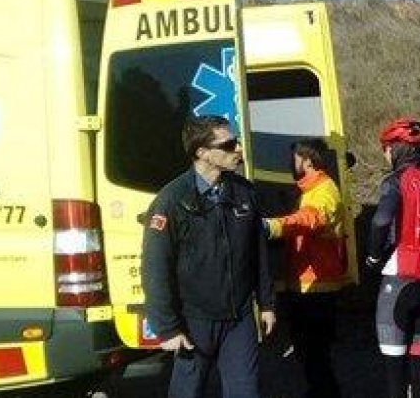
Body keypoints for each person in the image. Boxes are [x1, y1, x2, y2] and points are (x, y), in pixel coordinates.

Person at [141, 115, 276, 398]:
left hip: (239, 319)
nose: (238, 148)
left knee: (247, 392)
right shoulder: (171, 200)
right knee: (187, 392)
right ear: (201, 152)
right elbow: (155, 267)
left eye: (235, 141)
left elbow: (259, 253)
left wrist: (267, 303)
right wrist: (167, 328)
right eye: (228, 144)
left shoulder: (245, 192)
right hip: (194, 320)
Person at [367, 118, 420, 398]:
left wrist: (373, 257)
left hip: (400, 275)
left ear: (394, 150)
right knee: (419, 364)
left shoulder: (395, 181)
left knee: (394, 372)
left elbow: (380, 221)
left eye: (385, 149)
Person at [263, 138, 348, 398]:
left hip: (318, 286)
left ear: (308, 161)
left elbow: (311, 218)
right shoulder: (308, 189)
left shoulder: (324, 189)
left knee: (315, 352)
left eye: (295, 158)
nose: (291, 163)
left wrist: (273, 226)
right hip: (305, 284)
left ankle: (326, 393)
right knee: (306, 349)